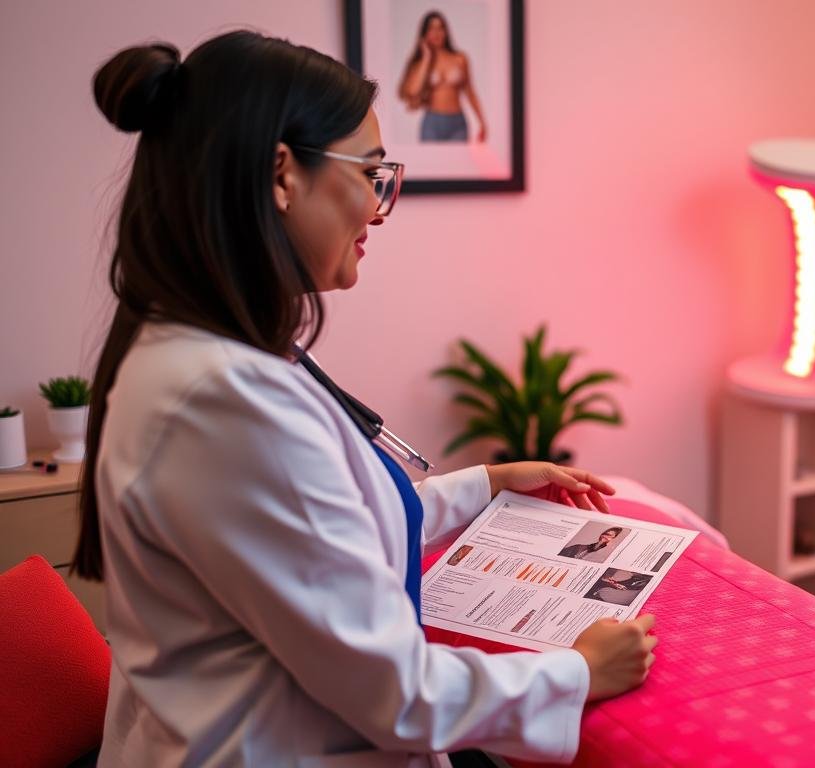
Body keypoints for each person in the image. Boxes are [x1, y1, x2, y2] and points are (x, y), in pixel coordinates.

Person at [74, 31, 655, 767]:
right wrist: (578, 670)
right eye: (372, 174)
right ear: (281, 174)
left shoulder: (202, 356)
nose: (380, 209)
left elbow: (315, 538)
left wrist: (487, 485)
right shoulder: (221, 403)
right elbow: (396, 694)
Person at [398, 11, 486, 142]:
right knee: (431, 162)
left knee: (457, 162)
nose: (436, 33)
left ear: (446, 31)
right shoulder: (420, 62)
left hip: (457, 122)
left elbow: (470, 92)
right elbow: (413, 91)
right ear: (424, 33)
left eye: (440, 28)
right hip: (432, 122)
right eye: (431, 29)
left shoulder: (460, 58)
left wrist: (482, 121)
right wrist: (426, 58)